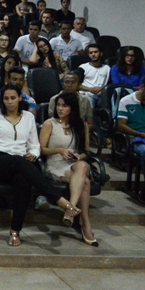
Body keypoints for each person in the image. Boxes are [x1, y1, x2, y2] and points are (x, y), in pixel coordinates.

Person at [0, 84, 80, 247]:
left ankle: (15, 231)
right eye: (6, 99)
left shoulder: (29, 117)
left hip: (21, 163)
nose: (9, 102)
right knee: (18, 161)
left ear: (20, 98)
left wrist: (34, 154)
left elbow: (35, 145)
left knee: (23, 179)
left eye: (13, 98)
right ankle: (60, 200)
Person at [39, 92, 96, 245]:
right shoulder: (49, 123)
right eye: (58, 105)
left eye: (64, 105)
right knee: (85, 183)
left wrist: (78, 157)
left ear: (72, 107)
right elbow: (42, 150)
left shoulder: (81, 125)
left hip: (76, 164)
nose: (60, 109)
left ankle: (70, 210)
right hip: (56, 163)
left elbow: (86, 152)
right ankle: (85, 224)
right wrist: (59, 150)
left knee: (83, 165)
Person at [79, 44, 110, 108]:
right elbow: (77, 85)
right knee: (90, 110)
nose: (93, 54)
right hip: (87, 94)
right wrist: (90, 89)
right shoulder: (83, 67)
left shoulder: (107, 68)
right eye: (91, 53)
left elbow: (110, 84)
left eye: (96, 52)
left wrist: (102, 89)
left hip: (102, 95)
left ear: (101, 53)